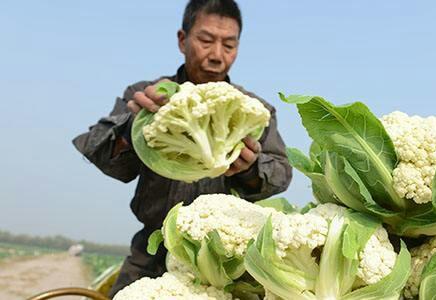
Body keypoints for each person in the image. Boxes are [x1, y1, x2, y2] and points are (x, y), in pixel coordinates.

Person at [72, 0, 292, 297]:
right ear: (182, 39)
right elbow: (101, 153)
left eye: (229, 45)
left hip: (225, 259)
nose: (217, 55)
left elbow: (281, 174)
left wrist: (251, 169)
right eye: (205, 40)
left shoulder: (253, 111)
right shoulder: (148, 97)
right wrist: (132, 129)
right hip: (151, 252)